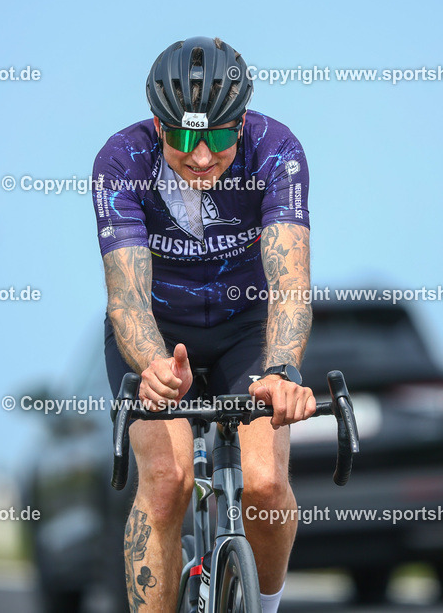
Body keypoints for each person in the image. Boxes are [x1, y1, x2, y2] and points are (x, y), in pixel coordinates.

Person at [93, 36, 314, 613]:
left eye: (216, 137)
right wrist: (153, 366)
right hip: (160, 333)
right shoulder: (121, 161)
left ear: (240, 126)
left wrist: (284, 369)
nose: (199, 156)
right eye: (184, 136)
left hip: (248, 326)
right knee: (166, 484)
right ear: (158, 126)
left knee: (264, 484)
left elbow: (290, 284)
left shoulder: (275, 149)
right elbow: (127, 301)